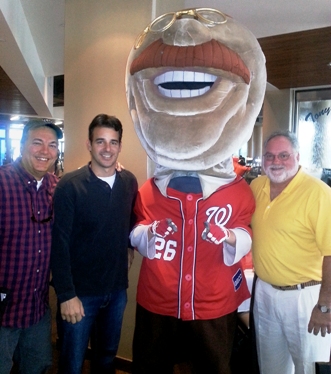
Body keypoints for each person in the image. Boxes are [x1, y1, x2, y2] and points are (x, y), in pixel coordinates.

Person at [50, 114, 138, 374]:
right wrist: (66, 295)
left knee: (106, 360)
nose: (107, 149)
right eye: (100, 141)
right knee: (72, 364)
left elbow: (132, 220)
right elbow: (59, 244)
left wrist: (129, 247)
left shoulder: (129, 182)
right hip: (80, 295)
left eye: (113, 142)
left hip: (116, 292)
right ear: (89, 145)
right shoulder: (70, 186)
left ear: (120, 146)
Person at [250, 130, 331, 374]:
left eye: (283, 155)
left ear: (297, 156)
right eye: (269, 156)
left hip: (306, 297)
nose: (275, 162)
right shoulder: (256, 186)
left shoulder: (318, 193)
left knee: (308, 367)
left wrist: (325, 306)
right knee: (270, 367)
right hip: (264, 292)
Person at [0, 120, 63, 374]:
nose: (44, 151)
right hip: (3, 311)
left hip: (37, 308)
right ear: (22, 145)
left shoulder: (55, 187)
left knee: (36, 367)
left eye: (52, 145)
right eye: (37, 143)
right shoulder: (2, 184)